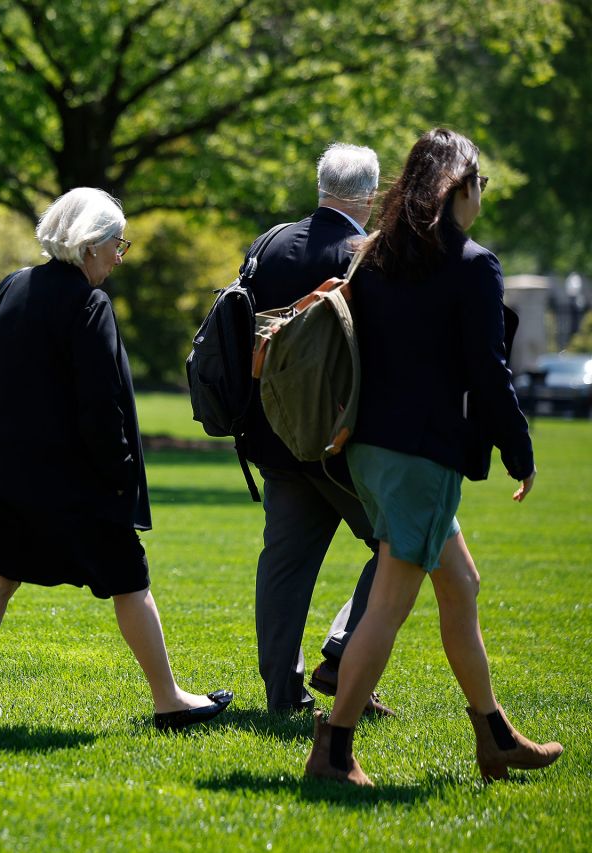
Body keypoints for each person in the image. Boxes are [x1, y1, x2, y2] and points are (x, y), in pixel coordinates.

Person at [306, 128, 563, 785]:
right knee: (388, 605)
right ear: (461, 186)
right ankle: (333, 749)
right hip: (421, 456)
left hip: (368, 449)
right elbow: (489, 369)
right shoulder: (472, 264)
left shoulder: (374, 253)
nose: (483, 198)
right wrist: (520, 449)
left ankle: (495, 734)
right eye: (481, 185)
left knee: (462, 584)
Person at [0, 187, 233, 731]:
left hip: (6, 473)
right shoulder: (87, 302)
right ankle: (169, 699)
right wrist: (119, 470)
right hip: (76, 481)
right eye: (117, 245)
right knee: (130, 581)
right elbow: (101, 401)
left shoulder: (15, 287)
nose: (119, 257)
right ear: (92, 244)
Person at [244, 143, 394, 717]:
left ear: (320, 186)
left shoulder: (270, 244)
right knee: (403, 543)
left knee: (283, 568)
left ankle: (283, 695)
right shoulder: (368, 255)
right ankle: (343, 650)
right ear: (373, 196)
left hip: (273, 435)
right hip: (340, 440)